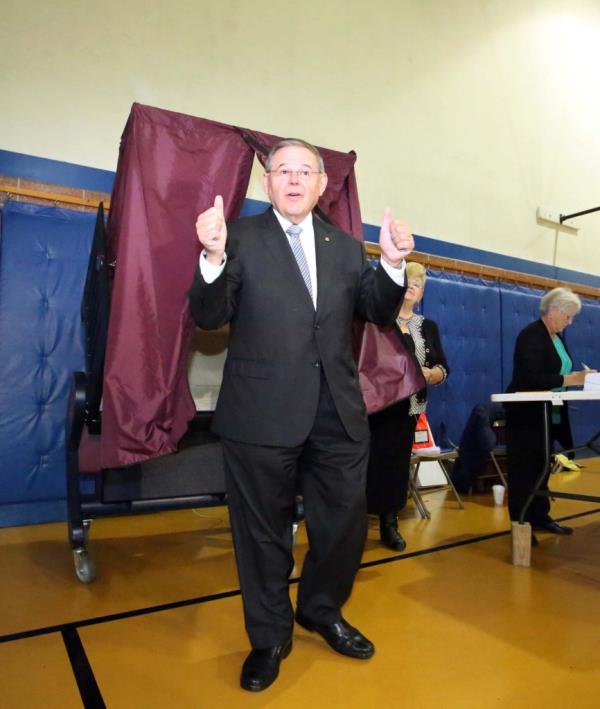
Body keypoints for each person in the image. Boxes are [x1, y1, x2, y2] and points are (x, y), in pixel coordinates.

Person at [188, 138, 414, 692]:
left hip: (336, 412)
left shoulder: (343, 246)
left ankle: (320, 608)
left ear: (320, 186)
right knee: (262, 533)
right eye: (281, 170)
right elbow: (209, 315)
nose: (292, 179)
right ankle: (269, 637)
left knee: (340, 526)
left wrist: (390, 263)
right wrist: (213, 259)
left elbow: (377, 310)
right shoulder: (237, 238)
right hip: (261, 414)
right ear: (266, 183)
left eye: (303, 171)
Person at [366, 261, 449, 550]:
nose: (413, 287)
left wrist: (431, 374)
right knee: (366, 464)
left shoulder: (428, 327)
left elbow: (443, 368)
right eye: (409, 281)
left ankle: (390, 525)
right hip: (375, 409)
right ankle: (352, 524)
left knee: (395, 469)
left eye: (419, 284)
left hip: (409, 409)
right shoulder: (379, 322)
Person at [505, 287, 594, 536]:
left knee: (543, 468)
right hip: (527, 415)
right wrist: (572, 379)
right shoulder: (530, 336)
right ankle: (521, 526)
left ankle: (540, 516)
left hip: (550, 413)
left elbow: (559, 373)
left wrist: (580, 378)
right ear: (554, 310)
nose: (570, 321)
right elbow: (531, 377)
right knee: (525, 471)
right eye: (568, 316)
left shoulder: (557, 337)